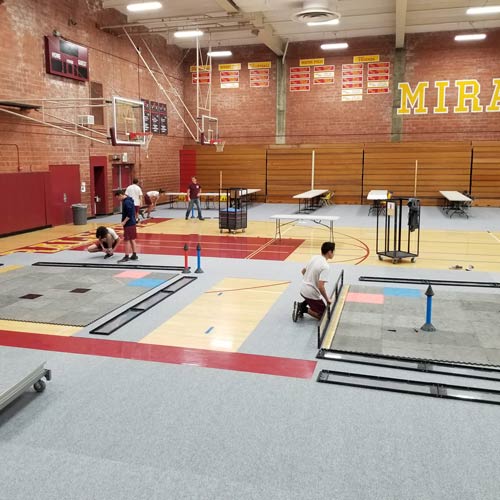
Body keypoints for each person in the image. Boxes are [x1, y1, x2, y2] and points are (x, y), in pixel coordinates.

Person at [293, 241, 335, 321]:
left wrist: (309, 280)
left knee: (314, 299)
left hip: (302, 289)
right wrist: (327, 299)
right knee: (324, 317)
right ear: (330, 252)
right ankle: (302, 308)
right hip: (311, 293)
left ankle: (304, 303)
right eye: (333, 251)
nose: (334, 253)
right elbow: (320, 286)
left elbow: (303, 271)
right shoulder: (325, 266)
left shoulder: (314, 257)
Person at [114, 189, 138, 262]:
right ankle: (134, 255)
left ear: (121, 195)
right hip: (132, 223)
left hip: (129, 224)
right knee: (132, 239)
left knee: (126, 240)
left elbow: (129, 214)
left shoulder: (126, 202)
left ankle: (126, 256)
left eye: (118, 198)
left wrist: (124, 222)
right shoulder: (129, 200)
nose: (118, 199)